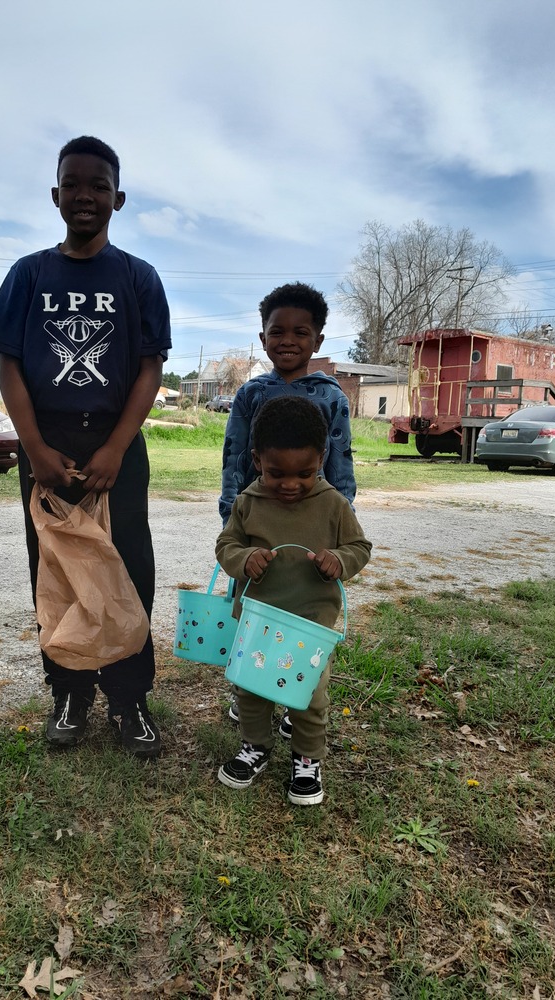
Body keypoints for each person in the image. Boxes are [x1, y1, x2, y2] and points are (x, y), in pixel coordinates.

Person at [0, 135, 171, 758]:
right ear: (55, 194)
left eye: (98, 185)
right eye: (73, 183)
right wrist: (32, 444)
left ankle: (129, 699)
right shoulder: (29, 274)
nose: (84, 195)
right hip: (47, 447)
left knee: (126, 566)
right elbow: (8, 366)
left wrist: (119, 445)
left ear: (117, 198)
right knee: (54, 567)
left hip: (115, 445)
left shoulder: (138, 278)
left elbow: (149, 368)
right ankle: (68, 692)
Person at [215, 396, 372, 805]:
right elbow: (226, 543)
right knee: (250, 689)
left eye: (304, 473)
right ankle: (257, 745)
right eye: (275, 473)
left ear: (322, 457)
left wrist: (339, 560)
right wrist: (243, 558)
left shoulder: (334, 505)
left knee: (308, 696)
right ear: (256, 459)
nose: (289, 484)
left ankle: (306, 759)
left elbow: (360, 546)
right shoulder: (248, 502)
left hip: (310, 623)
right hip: (256, 618)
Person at [219, 282, 357, 734]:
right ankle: (253, 694)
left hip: (313, 521)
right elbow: (235, 454)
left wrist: (339, 515)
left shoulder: (332, 396)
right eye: (277, 332)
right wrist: (232, 511)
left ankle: (296, 694)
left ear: (318, 340)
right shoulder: (250, 395)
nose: (288, 341)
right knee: (253, 610)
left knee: (303, 615)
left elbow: (340, 460)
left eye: (301, 333)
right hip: (259, 518)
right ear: (263, 338)